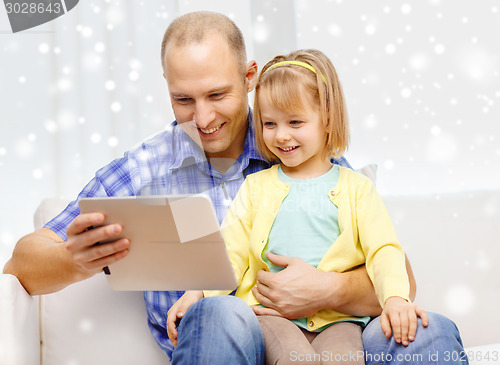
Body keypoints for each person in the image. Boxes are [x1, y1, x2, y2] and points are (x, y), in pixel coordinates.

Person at [3, 11, 468, 365]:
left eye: (217, 95)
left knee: (431, 332)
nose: (202, 119)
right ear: (166, 89)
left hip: (336, 333)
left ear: (250, 78)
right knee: (219, 313)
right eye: (183, 100)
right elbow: (21, 263)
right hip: (229, 342)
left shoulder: (297, 149)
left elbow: (398, 276)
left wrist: (327, 289)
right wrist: (73, 257)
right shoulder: (145, 168)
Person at [166, 49, 429, 365]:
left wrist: (395, 299)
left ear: (328, 119)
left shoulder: (357, 188)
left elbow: (383, 250)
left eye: (295, 121)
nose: (281, 135)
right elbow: (228, 252)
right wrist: (198, 292)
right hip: (271, 316)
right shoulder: (256, 188)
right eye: (270, 123)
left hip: (339, 320)